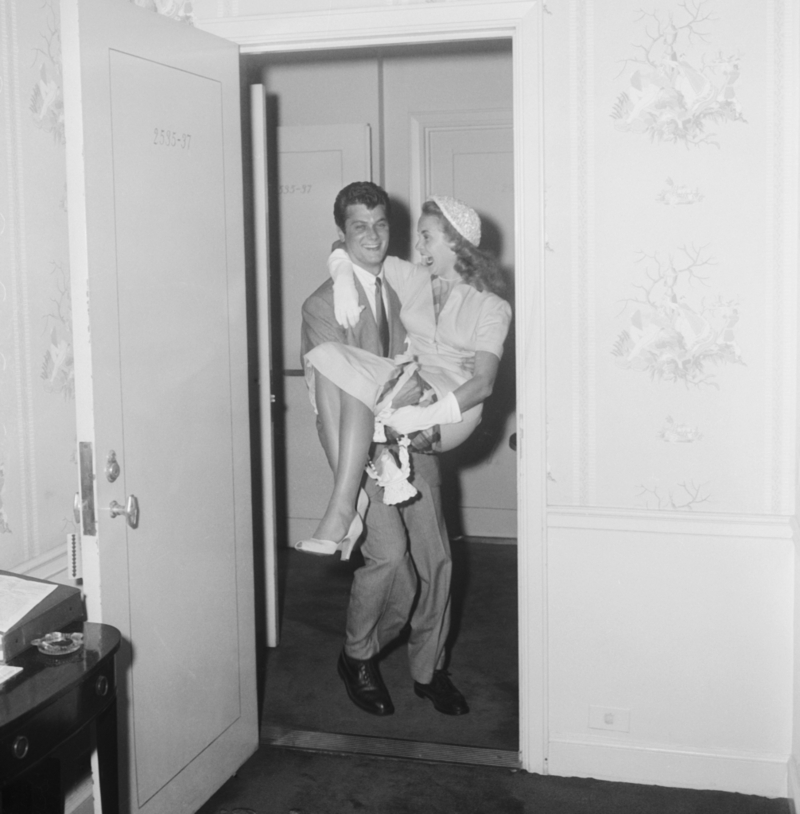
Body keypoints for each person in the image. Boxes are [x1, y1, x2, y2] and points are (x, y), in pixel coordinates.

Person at [299, 181, 478, 717]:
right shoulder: (323, 304)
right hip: (363, 445)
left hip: (416, 433)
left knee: (437, 557)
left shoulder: (407, 284)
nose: (372, 236)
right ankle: (358, 655)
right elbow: (334, 395)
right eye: (359, 226)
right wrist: (349, 482)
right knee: (389, 557)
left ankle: (428, 668)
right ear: (342, 233)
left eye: (380, 225)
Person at [300, 193, 511, 552]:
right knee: (326, 357)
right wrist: (343, 279)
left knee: (357, 382)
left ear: (455, 243)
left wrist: (427, 415)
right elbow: (354, 247)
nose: (417, 244)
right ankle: (347, 501)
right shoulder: (416, 279)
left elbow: (484, 384)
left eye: (426, 236)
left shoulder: (491, 306)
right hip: (410, 381)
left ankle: (343, 508)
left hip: (452, 409)